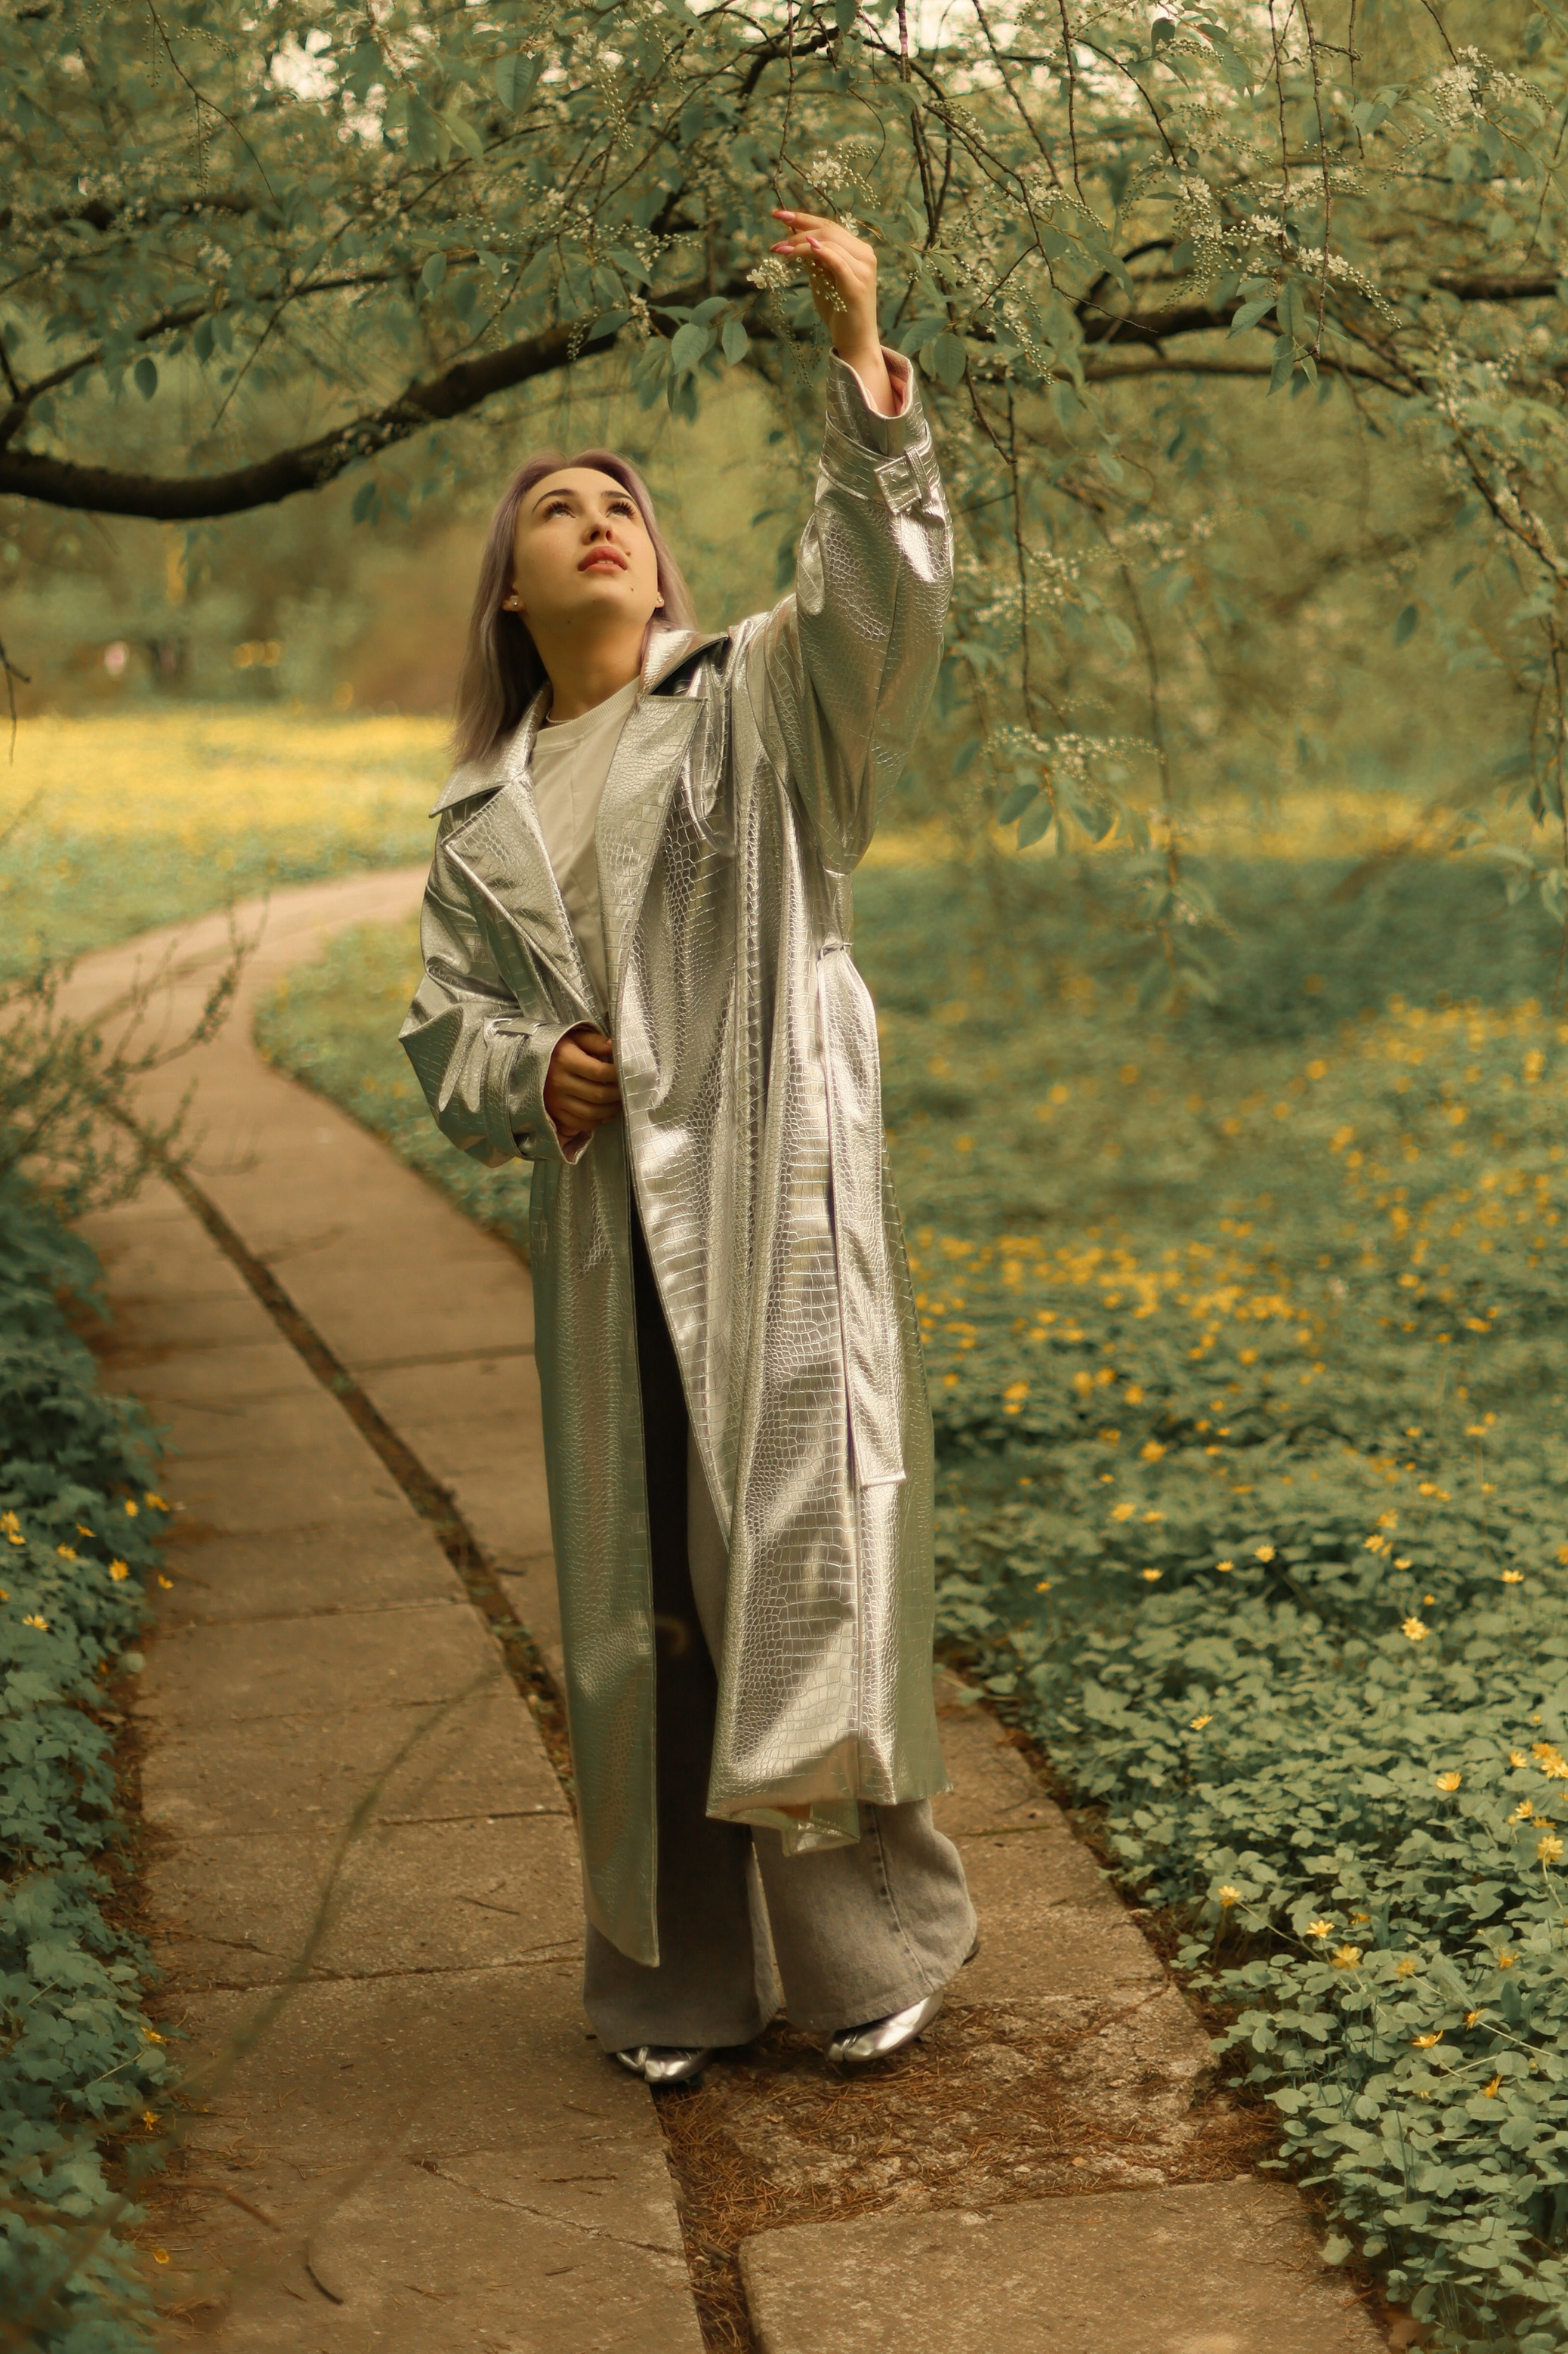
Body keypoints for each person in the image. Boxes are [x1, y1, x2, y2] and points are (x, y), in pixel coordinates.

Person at [400, 209, 976, 2089]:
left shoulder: (747, 698)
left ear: (658, 565)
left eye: (621, 504)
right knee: (642, 1602)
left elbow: (882, 621)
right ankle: (669, 1983)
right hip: (601, 1247)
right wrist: (524, 1073)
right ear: (509, 592)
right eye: (555, 507)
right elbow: (445, 1028)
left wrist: (865, 371)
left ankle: (860, 1950)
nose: (595, 519)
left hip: (767, 1201)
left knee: (792, 1561)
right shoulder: (479, 817)